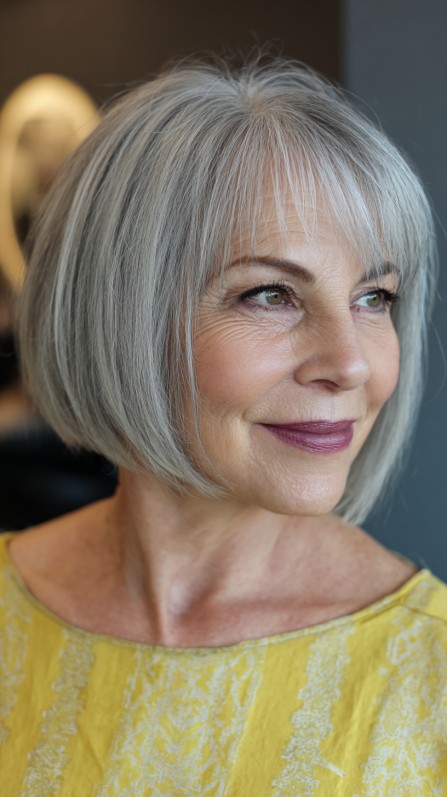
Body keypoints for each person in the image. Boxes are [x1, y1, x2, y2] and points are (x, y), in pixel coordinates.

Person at [1, 54, 446, 795]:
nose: (349, 363)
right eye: (271, 294)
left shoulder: (428, 674)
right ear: (119, 314)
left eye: (373, 298)